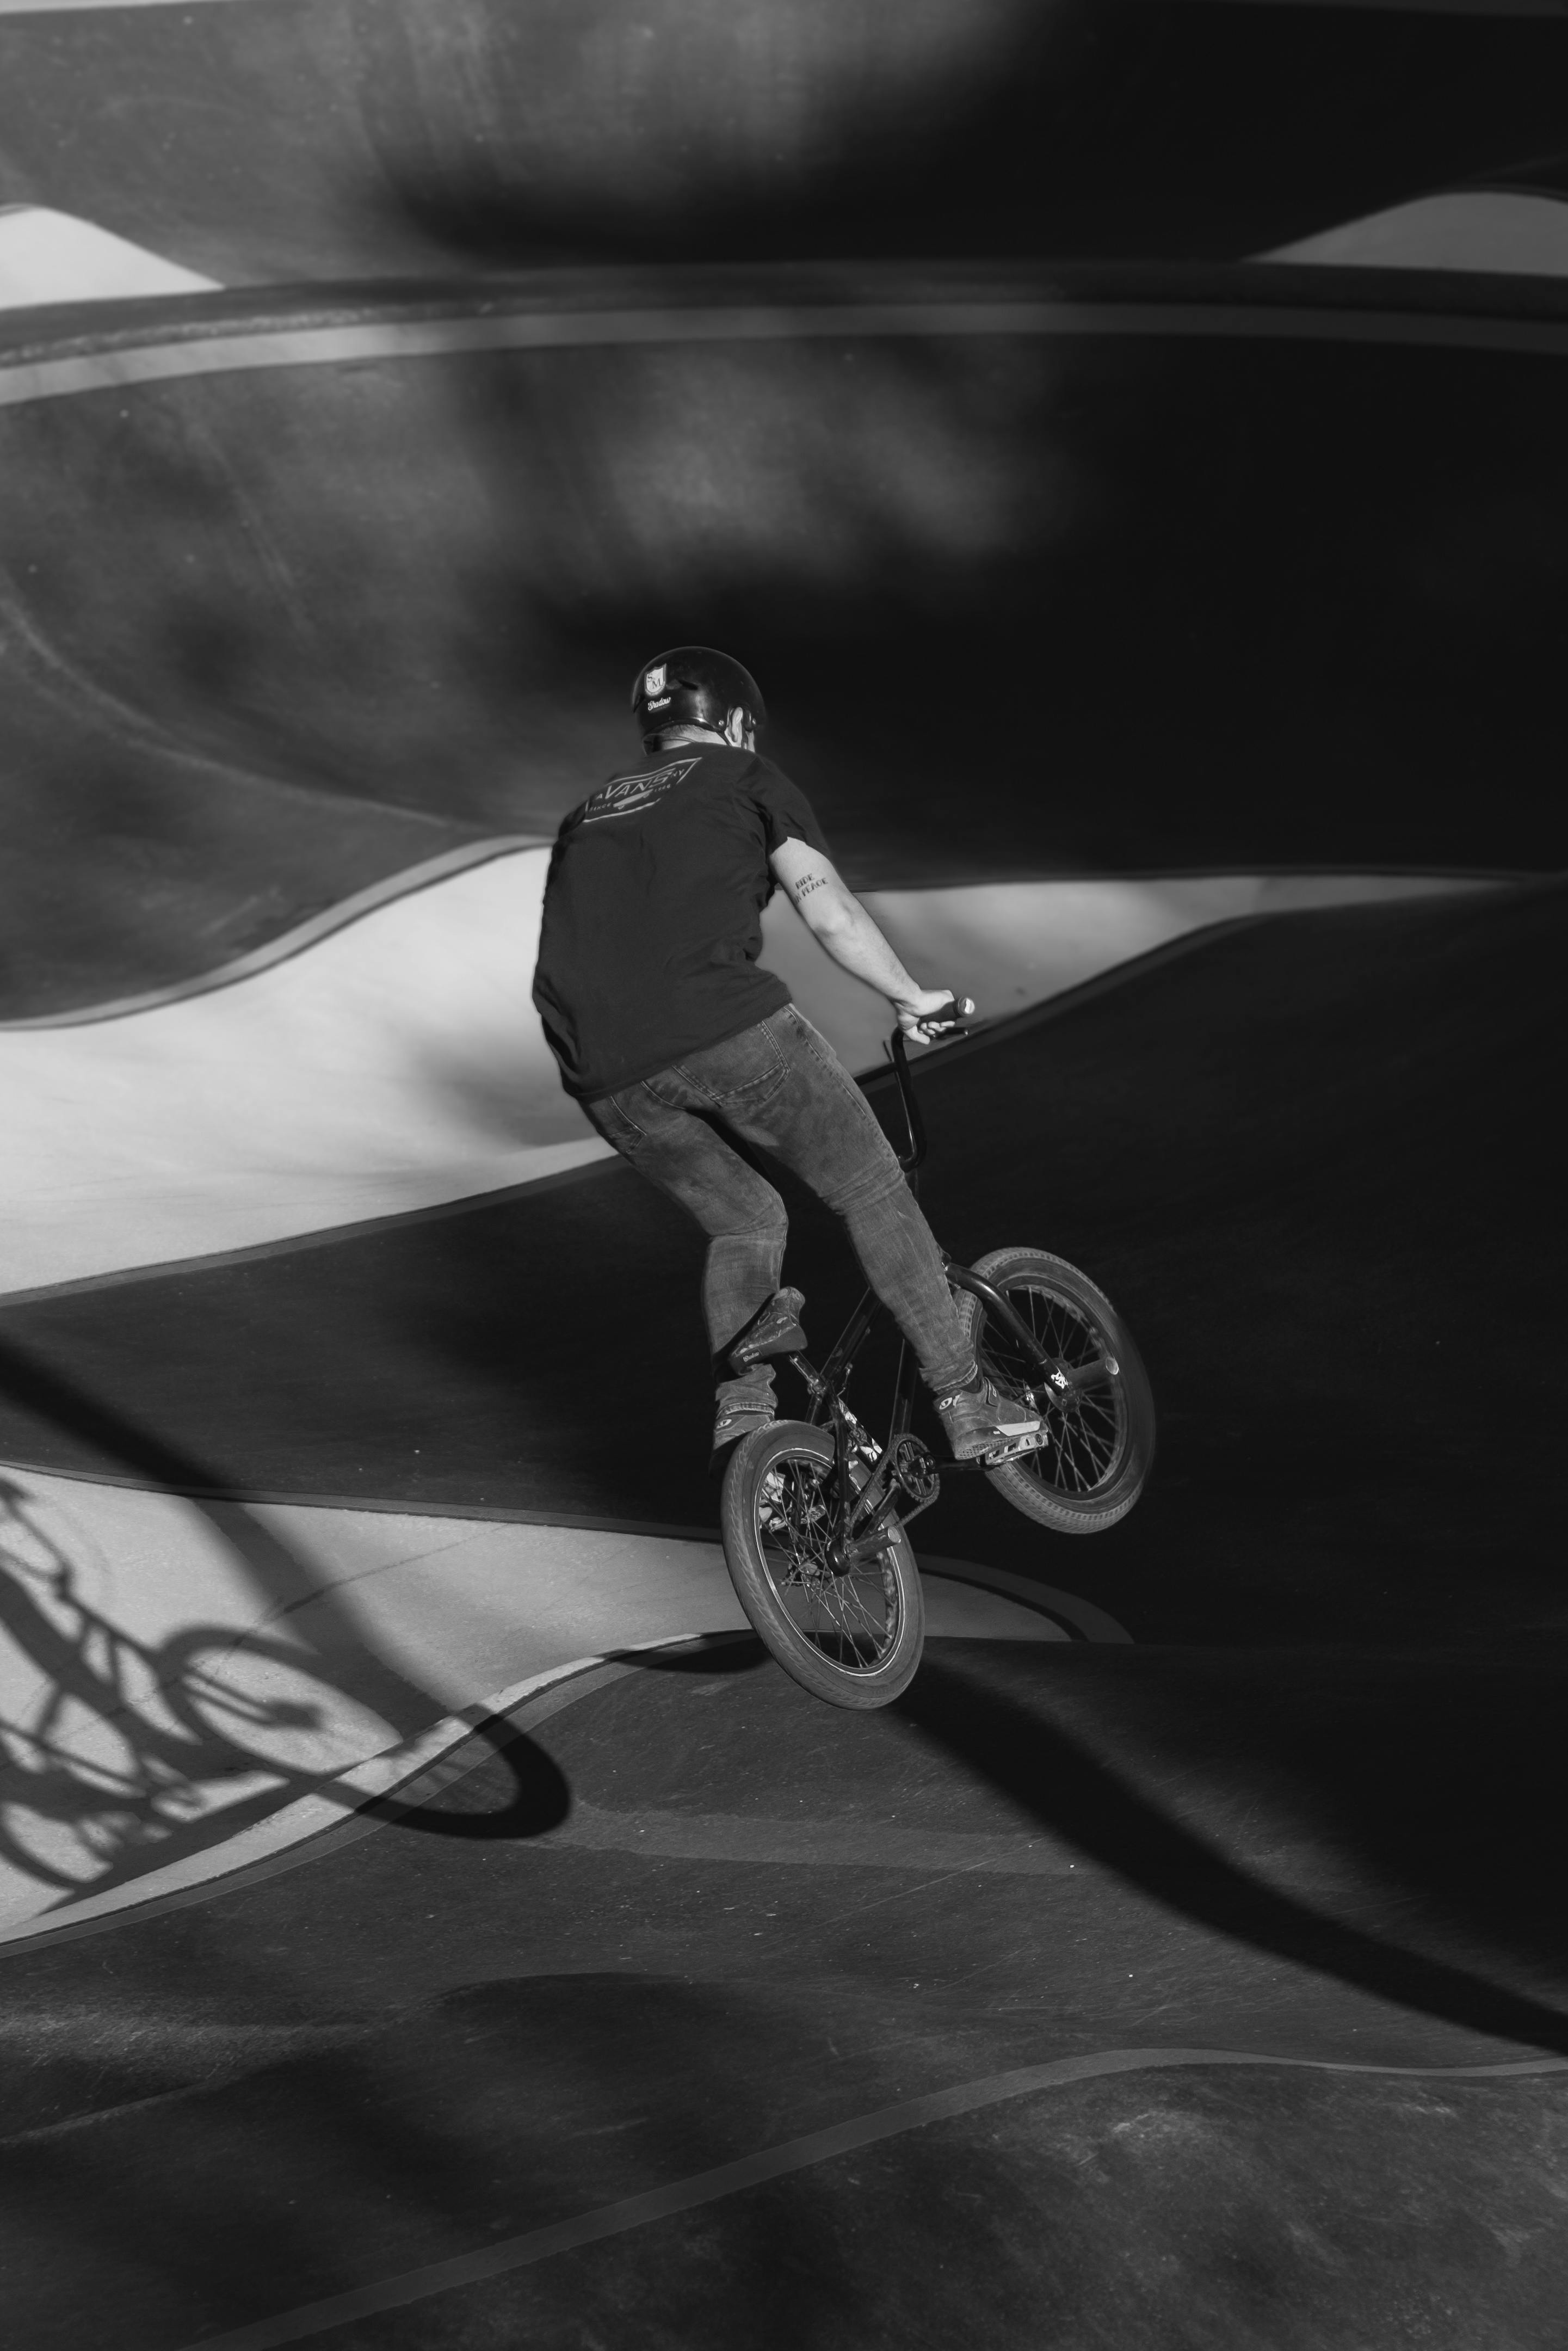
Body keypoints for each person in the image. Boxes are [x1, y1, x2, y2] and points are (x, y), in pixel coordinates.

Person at [532, 646, 1040, 1467]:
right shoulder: (746, 777)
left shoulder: (588, 812)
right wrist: (912, 997)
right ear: (734, 724)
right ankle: (969, 1401)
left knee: (744, 1218)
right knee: (870, 1187)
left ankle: (745, 1415)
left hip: (601, 1074)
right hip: (723, 1028)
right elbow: (828, 911)